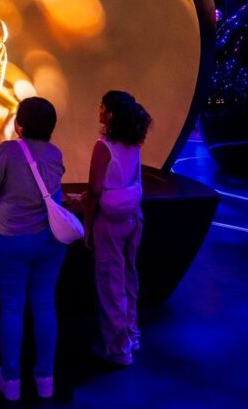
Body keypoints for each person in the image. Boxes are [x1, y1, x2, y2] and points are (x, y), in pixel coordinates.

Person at [0, 97, 67, 402]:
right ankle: (45, 380)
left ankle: (11, 381)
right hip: (50, 242)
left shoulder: (6, 151)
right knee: (45, 305)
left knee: (12, 307)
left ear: (19, 124)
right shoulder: (55, 153)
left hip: (11, 241)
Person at [83, 90, 152, 366]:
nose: (99, 109)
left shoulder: (103, 146)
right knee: (128, 276)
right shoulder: (133, 142)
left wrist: (87, 226)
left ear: (110, 114)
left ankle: (118, 349)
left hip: (110, 222)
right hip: (133, 217)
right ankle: (132, 334)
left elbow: (94, 190)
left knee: (110, 282)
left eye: (102, 106)